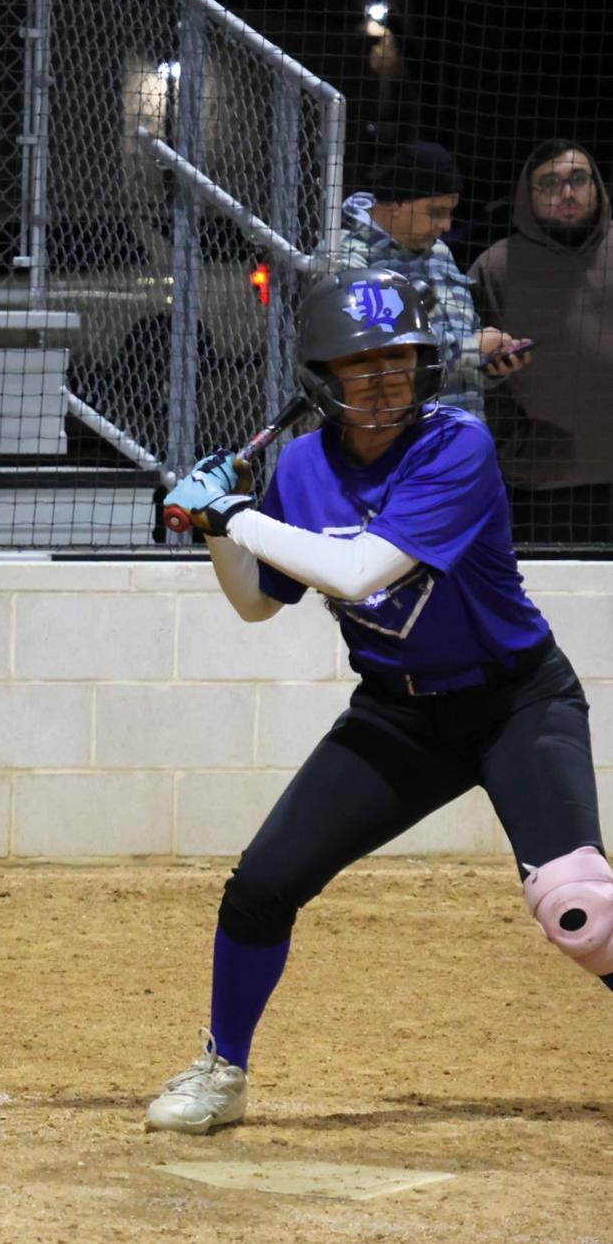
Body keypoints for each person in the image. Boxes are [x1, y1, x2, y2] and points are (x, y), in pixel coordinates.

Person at [145, 267, 606, 1135]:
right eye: (364, 365)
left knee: (580, 910)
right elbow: (256, 602)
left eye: (403, 360)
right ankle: (223, 1071)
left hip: (517, 701)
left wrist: (233, 511)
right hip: (398, 714)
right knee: (261, 887)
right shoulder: (305, 468)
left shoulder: (455, 445)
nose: (389, 378)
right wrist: (216, 530)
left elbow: (360, 571)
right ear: (325, 377)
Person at [469, 140, 613, 547]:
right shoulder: (495, 267)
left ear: (597, 185)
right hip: (540, 481)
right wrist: (511, 436)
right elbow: (464, 368)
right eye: (549, 183)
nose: (567, 194)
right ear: (526, 196)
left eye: (578, 179)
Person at [337, 140, 531, 415]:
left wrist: (491, 362)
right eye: (436, 212)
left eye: (450, 212)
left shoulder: (438, 251)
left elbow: (463, 347)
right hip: (399, 440)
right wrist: (472, 348)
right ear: (400, 203)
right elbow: (379, 360)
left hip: (462, 431)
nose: (447, 225)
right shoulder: (350, 259)